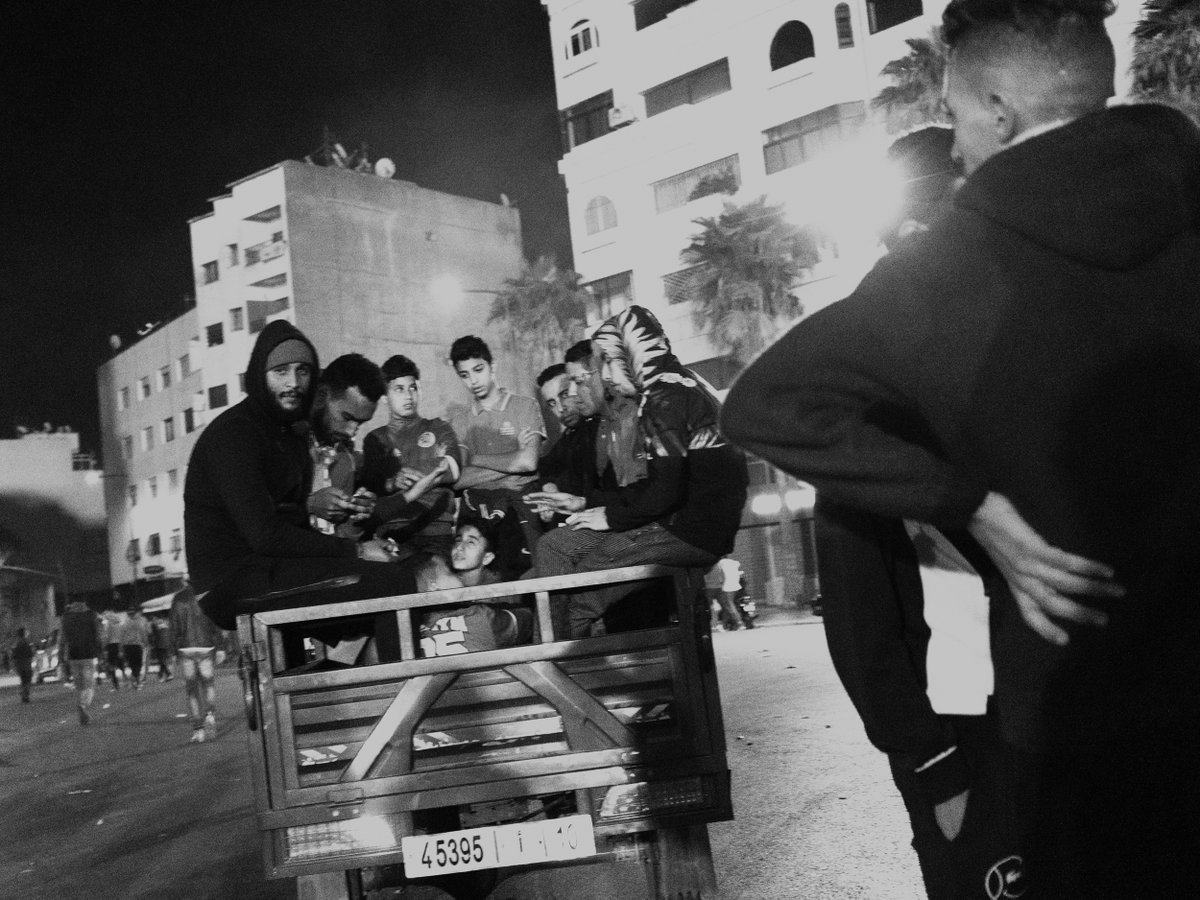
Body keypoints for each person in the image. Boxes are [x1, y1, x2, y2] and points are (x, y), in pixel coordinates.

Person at [722, 1, 1200, 893]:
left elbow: (761, 404)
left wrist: (973, 505)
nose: (956, 153)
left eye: (953, 119)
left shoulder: (951, 270)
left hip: (1073, 737)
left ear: (994, 109)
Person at [184, 320, 420, 658]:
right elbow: (265, 535)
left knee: (371, 601)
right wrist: (357, 552)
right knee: (392, 584)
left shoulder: (289, 438)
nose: (293, 382)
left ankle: (347, 700)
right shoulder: (237, 433)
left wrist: (352, 533)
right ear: (260, 375)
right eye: (281, 371)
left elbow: (292, 526)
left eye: (302, 372)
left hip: (267, 571)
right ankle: (406, 701)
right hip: (231, 582)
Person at [528, 307, 749, 638]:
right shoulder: (683, 382)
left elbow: (665, 490)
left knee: (584, 586)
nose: (607, 376)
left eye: (611, 362)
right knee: (559, 548)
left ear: (636, 353)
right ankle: (553, 664)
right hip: (693, 522)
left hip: (688, 528)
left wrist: (611, 517)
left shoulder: (663, 395)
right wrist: (590, 504)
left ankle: (553, 673)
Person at [446, 335, 546, 571]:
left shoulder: (525, 406)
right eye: (464, 375)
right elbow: (457, 479)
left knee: (528, 581)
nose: (473, 380)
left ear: (493, 367)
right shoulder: (459, 422)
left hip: (521, 508)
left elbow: (528, 462)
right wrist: (512, 461)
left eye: (478, 369)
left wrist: (473, 459)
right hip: (477, 516)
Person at [360, 354, 462, 560]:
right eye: (399, 389)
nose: (408, 396)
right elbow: (372, 485)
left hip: (437, 528)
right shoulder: (375, 439)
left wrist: (397, 474)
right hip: (392, 531)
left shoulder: (438, 427)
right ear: (384, 396)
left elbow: (452, 468)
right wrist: (392, 482)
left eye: (412, 388)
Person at [417, 520, 531, 656]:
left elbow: (522, 626)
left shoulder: (503, 592)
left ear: (487, 558)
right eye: (458, 541)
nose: (460, 547)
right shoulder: (440, 583)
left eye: (470, 542)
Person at [306, 353, 385, 536]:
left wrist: (355, 516)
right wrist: (309, 504)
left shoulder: (344, 460)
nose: (351, 432)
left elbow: (342, 539)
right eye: (347, 417)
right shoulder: (280, 440)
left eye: (361, 423)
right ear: (322, 395)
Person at [169, 583, 224, 743]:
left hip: (186, 648)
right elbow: (216, 621)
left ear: (186, 583)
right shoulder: (207, 595)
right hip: (206, 646)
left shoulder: (178, 599)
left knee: (192, 690)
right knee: (208, 684)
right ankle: (210, 714)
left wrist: (172, 651)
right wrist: (220, 647)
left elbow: (173, 626)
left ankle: (198, 730)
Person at [61, 600, 102, 726]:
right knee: (89, 685)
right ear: (84, 604)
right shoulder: (91, 615)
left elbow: (63, 639)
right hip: (88, 655)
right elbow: (97, 636)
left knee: (79, 686)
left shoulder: (65, 617)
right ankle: (83, 705)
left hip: (73, 655)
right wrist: (100, 654)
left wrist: (62, 658)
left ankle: (81, 707)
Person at [119, 605, 151, 690]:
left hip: (127, 647)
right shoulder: (138, 623)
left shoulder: (124, 624)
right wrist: (146, 643)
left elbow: (121, 637)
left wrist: (121, 648)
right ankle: (137, 681)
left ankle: (135, 680)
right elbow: (143, 633)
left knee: (132, 664)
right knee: (138, 664)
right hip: (137, 645)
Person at [100, 608, 126, 690]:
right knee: (120, 663)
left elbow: (107, 636)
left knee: (111, 665)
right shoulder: (119, 624)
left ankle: (115, 684)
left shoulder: (108, 624)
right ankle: (126, 680)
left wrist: (104, 646)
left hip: (111, 645)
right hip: (119, 644)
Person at [10, 627, 34, 704]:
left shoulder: (16, 643)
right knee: (27, 679)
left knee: (23, 680)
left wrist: (14, 664)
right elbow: (30, 654)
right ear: (23, 633)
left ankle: (23, 694)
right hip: (26, 663)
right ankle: (25, 694)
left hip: (19, 665)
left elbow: (13, 655)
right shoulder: (26, 642)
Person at [149, 615, 174, 682]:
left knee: (161, 661)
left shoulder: (154, 626)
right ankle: (161, 675)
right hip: (166, 645)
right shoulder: (165, 625)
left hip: (159, 645)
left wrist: (152, 644)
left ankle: (168, 674)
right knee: (162, 661)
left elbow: (153, 636)